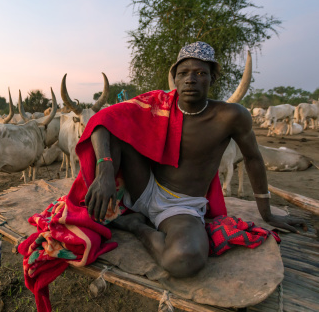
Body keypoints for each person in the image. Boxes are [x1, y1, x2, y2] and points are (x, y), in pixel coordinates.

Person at [84, 41, 306, 278]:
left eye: (200, 73)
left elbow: (253, 159)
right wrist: (105, 171)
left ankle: (136, 226)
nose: (190, 79)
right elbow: (102, 120)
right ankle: (121, 205)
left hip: (180, 206)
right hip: (143, 184)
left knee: (184, 260)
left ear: (212, 78)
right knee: (115, 129)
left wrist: (268, 213)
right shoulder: (159, 103)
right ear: (175, 79)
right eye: (183, 73)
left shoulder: (230, 116)